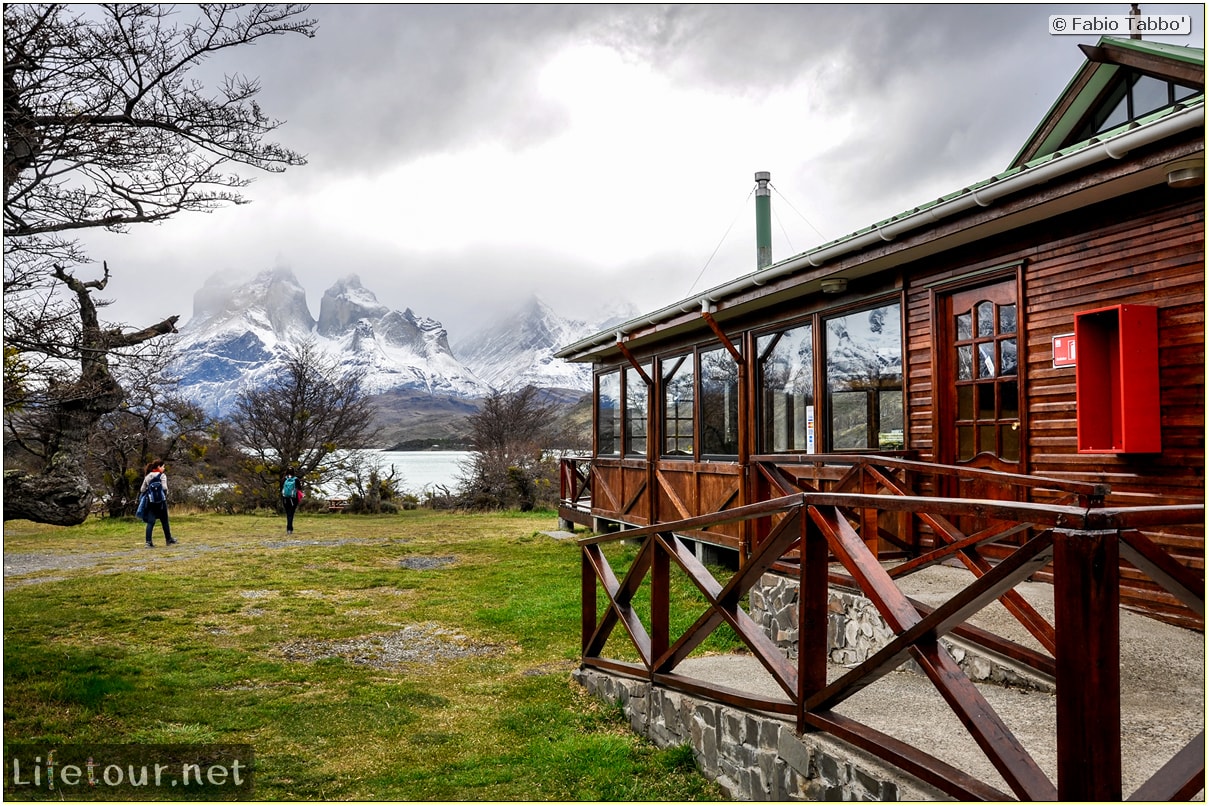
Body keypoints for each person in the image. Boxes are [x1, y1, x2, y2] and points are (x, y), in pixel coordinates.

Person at [139, 459, 176, 547]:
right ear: (159, 467)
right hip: (161, 502)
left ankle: (148, 542)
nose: (164, 468)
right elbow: (164, 488)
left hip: (151, 502)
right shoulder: (162, 476)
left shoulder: (148, 476)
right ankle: (168, 539)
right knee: (165, 521)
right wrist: (164, 495)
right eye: (163, 466)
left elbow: (142, 490)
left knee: (151, 522)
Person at [282, 468, 302, 534]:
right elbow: (299, 488)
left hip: (285, 499)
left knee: (288, 514)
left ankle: (289, 528)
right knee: (291, 513)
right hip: (294, 499)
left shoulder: (284, 479)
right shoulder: (296, 479)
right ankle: (290, 528)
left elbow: (281, 488)